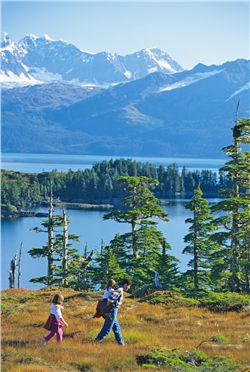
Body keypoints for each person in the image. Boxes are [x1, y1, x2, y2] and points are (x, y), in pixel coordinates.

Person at [95, 278, 132, 346]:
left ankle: (121, 344)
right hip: (112, 310)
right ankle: (97, 341)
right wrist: (108, 310)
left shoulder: (116, 288)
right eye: (129, 286)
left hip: (112, 310)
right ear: (125, 284)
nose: (129, 288)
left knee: (116, 328)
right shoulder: (120, 290)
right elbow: (111, 298)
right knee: (107, 328)